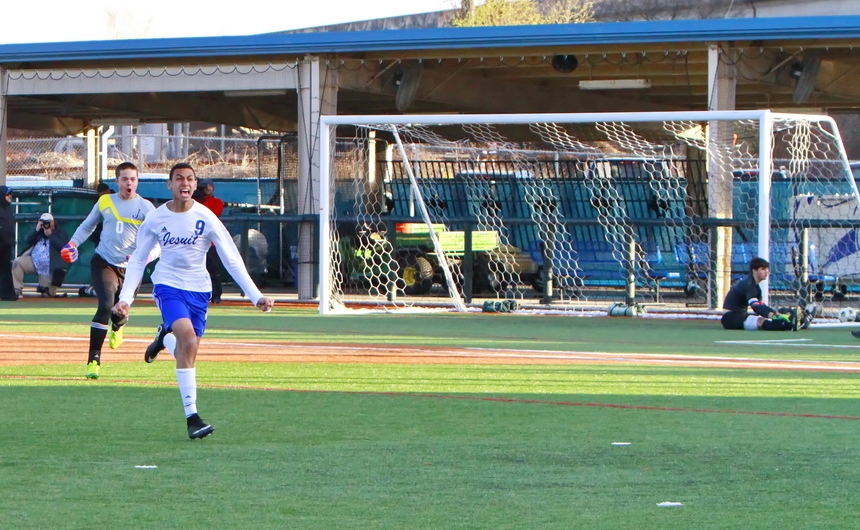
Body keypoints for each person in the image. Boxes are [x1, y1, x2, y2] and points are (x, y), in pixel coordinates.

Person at [112, 162, 274, 440]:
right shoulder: (156, 218)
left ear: (195, 185)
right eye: (178, 179)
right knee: (187, 341)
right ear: (170, 184)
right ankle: (193, 418)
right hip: (168, 286)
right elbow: (139, 259)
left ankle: (165, 339)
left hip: (199, 290)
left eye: (189, 179)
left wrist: (255, 295)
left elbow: (231, 258)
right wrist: (126, 300)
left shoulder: (207, 217)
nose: (184, 183)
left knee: (188, 349)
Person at [61, 162, 157, 379]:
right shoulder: (105, 201)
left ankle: (118, 325)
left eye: (133, 179)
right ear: (117, 181)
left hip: (132, 268)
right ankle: (93, 361)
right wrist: (72, 244)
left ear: (137, 181)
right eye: (124, 179)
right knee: (105, 305)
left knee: (119, 312)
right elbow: (87, 226)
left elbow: (159, 241)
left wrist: (146, 257)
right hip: (103, 262)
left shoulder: (147, 208)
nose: (129, 183)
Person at [721, 257, 804, 331]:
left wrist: (777, 314)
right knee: (760, 321)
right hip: (730, 318)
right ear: (754, 271)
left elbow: (762, 306)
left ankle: (794, 323)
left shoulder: (755, 287)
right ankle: (790, 325)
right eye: (763, 269)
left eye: (767, 268)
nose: (766, 271)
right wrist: (775, 316)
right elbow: (757, 308)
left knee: (763, 319)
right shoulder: (749, 285)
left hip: (737, 316)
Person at [12, 212, 68, 298]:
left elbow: (61, 246)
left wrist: (50, 235)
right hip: (34, 262)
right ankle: (16, 289)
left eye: (48, 222)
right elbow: (27, 240)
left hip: (49, 267)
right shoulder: (38, 232)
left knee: (47, 294)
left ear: (53, 222)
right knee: (18, 262)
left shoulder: (61, 233)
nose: (46, 224)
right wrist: (36, 230)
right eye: (43, 222)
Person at [192, 178, 226, 303]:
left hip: (210, 242)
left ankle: (216, 295)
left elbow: (210, 212)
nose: (208, 189)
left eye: (209, 187)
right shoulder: (193, 201)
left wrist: (201, 199)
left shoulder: (216, 202)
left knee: (213, 269)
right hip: (194, 242)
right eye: (204, 187)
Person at [0, 187, 17, 301]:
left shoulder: (8, 208)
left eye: (10, 194)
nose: (10, 196)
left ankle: (7, 294)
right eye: (7, 194)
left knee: (6, 269)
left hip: (6, 244)